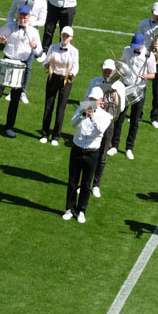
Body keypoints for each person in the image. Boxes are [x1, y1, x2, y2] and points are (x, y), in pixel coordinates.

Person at [0, 4, 41, 136]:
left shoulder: (33, 32)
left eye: (25, 16)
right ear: (17, 16)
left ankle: (9, 126)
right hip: (7, 60)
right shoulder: (9, 26)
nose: (22, 19)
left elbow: (39, 52)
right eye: (21, 16)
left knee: (15, 97)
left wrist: (35, 46)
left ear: (29, 17)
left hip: (21, 64)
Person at [65, 85, 112, 222]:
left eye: (94, 100)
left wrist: (92, 117)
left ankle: (81, 211)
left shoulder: (105, 115)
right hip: (77, 148)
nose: (91, 101)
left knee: (86, 184)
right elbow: (73, 124)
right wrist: (82, 115)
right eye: (90, 99)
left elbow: (100, 131)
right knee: (72, 181)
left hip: (92, 153)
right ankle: (69, 208)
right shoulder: (82, 108)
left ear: (100, 101)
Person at [113, 33, 157, 158]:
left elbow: (153, 74)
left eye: (138, 46)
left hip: (139, 89)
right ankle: (115, 145)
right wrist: (119, 67)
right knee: (119, 118)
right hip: (125, 87)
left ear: (143, 44)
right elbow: (121, 63)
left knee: (135, 120)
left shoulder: (150, 55)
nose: (135, 48)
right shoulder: (127, 50)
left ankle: (129, 148)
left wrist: (146, 76)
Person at [8, 0, 48, 104]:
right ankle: (12, 90)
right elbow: (11, 13)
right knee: (14, 62)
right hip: (17, 32)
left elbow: (43, 21)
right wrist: (10, 25)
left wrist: (30, 22)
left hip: (31, 34)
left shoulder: (42, 2)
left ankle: (23, 92)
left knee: (28, 66)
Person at [91, 65, 126, 199]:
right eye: (105, 71)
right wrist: (97, 103)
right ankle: (85, 184)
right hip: (94, 121)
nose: (106, 74)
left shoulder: (120, 86)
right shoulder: (95, 81)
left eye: (109, 72)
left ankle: (96, 185)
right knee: (91, 153)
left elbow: (121, 109)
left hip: (108, 123)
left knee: (102, 156)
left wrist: (115, 97)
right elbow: (85, 102)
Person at [39, 27, 79, 145]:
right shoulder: (53, 47)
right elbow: (45, 62)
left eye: (67, 36)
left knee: (60, 109)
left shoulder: (74, 51)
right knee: (48, 106)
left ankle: (56, 136)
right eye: (63, 35)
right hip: (53, 78)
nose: (65, 38)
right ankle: (45, 133)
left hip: (66, 80)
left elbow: (76, 66)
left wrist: (72, 73)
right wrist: (46, 65)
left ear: (71, 38)